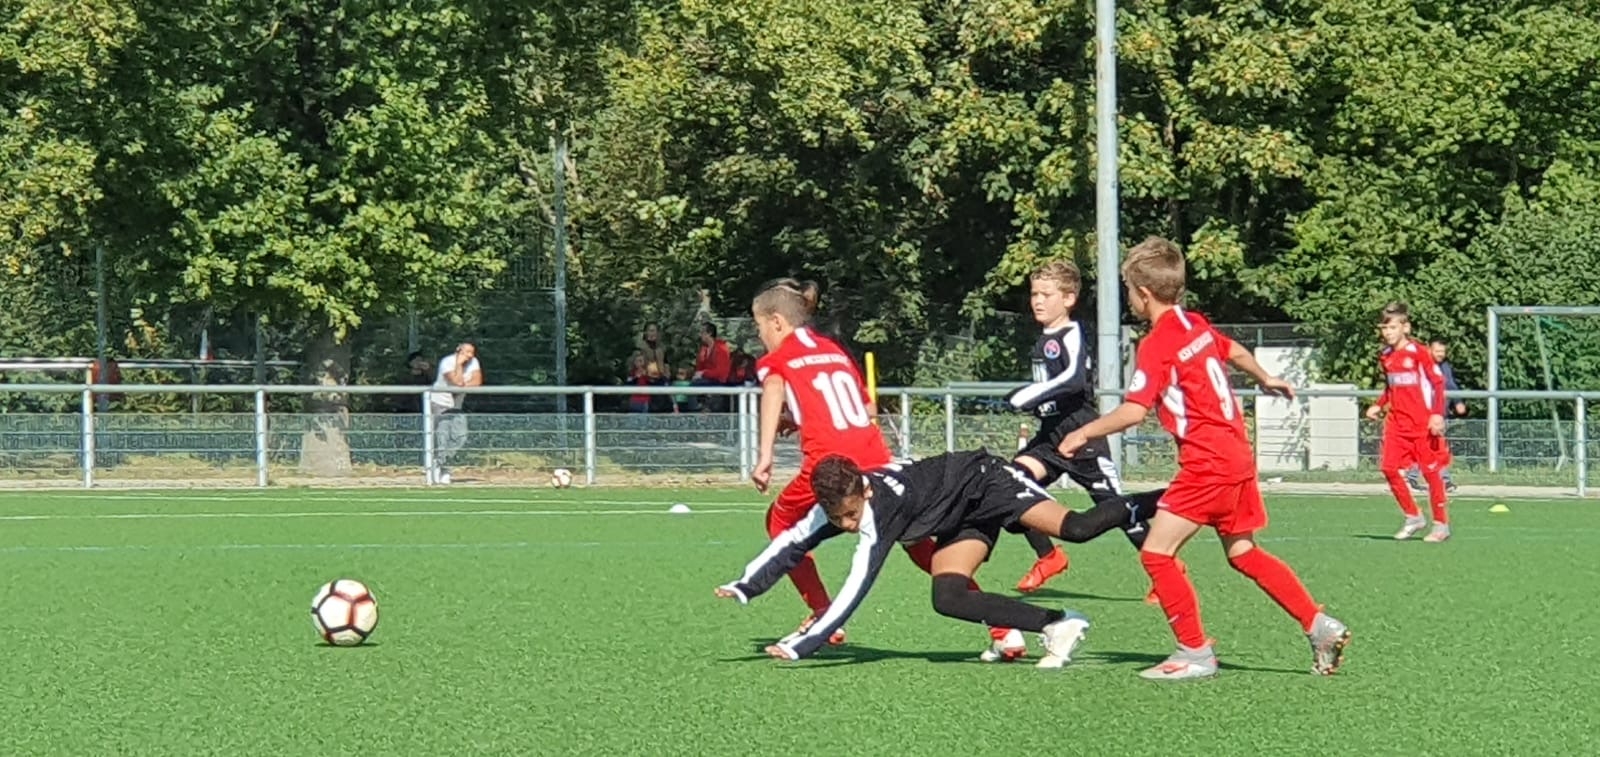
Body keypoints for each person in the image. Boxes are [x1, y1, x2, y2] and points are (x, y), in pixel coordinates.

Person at [1058, 236, 1349, 680]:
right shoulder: (1194, 324)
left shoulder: (1157, 343)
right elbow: (1235, 352)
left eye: (1129, 290)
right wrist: (1265, 377)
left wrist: (1082, 432)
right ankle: (1319, 625)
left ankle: (1193, 652)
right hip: (1237, 455)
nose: (1129, 298)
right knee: (1244, 552)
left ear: (1144, 294)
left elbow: (1134, 411)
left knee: (1157, 554)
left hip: (1207, 462)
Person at [749, 278, 1023, 660]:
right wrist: (800, 421)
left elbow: (773, 392)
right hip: (875, 458)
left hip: (830, 465)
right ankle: (1004, 629)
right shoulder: (833, 350)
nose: (759, 335)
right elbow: (865, 409)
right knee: (916, 542)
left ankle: (823, 612)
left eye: (759, 326)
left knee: (780, 523)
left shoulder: (779, 358)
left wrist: (765, 455)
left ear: (777, 321)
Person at [715, 450, 1167, 665]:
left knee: (1078, 529)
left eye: (851, 514)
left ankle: (1172, 497)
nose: (847, 524)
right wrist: (746, 585)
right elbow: (792, 541)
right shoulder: (836, 503)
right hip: (959, 514)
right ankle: (1058, 623)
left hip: (988, 482)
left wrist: (802, 646)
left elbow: (856, 586)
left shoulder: (879, 509)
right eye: (838, 518)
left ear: (865, 491)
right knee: (947, 595)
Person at [1004, 260, 1155, 596]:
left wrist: (1028, 395)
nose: (1037, 301)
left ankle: (1164, 571)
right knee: (1010, 484)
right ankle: (1049, 557)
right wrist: (1035, 400)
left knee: (1116, 508)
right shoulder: (1044, 338)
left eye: (1046, 294)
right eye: (1034, 294)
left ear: (1069, 299)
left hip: (1081, 436)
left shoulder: (1071, 333)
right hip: (1050, 438)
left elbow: (1073, 380)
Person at [1366, 303, 1452, 542]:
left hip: (1421, 424)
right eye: (1384, 328)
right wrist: (1379, 404)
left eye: (1392, 327)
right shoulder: (1385, 355)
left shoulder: (1419, 352)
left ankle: (1441, 524)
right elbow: (1391, 387)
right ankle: (1413, 516)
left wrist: (1436, 414)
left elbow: (1437, 383)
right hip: (1396, 423)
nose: (1387, 332)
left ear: (1405, 327)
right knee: (1389, 468)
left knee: (1431, 473)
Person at [1406, 339, 1463, 493]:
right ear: (1429, 350)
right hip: (1422, 413)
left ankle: (1441, 481)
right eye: (1437, 351)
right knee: (1423, 446)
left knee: (1436, 447)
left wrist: (1458, 401)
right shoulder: (1420, 366)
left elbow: (1450, 384)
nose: (1441, 354)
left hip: (1438, 414)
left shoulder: (1444, 367)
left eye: (1443, 351)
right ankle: (1414, 478)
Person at [428, 342, 482, 485]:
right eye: (466, 352)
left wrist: (464, 386)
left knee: (460, 437)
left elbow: (477, 382)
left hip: (456, 405)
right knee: (442, 438)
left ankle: (440, 463)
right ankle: (441, 469)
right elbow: (456, 383)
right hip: (440, 403)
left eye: (472, 352)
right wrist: (458, 365)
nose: (469, 355)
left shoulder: (474, 362)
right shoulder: (447, 362)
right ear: (458, 351)